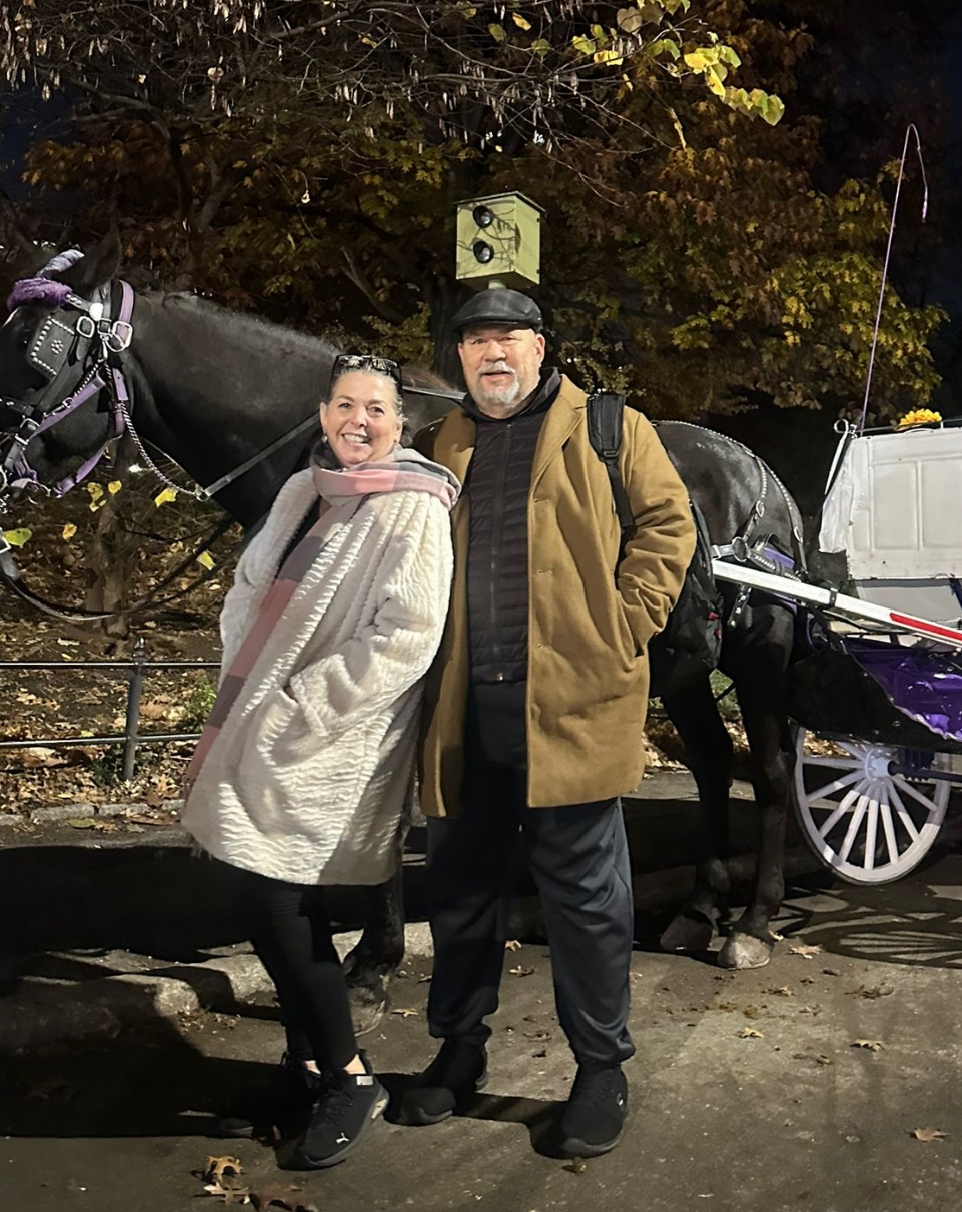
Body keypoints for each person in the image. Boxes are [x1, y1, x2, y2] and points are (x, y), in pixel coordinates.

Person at [392, 289, 696, 1158]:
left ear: (539, 348)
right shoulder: (439, 442)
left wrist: (624, 622)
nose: (492, 352)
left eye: (508, 337)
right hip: (461, 711)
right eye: (475, 339)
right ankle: (458, 1050)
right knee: (459, 894)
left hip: (570, 705)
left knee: (587, 903)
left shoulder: (608, 426)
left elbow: (669, 525)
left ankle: (601, 1069)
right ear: (458, 356)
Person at [181, 353, 458, 1170]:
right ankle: (306, 1066)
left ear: (399, 423)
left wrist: (302, 703)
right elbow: (250, 580)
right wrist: (246, 661)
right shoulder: (305, 487)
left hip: (329, 737)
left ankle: (348, 1074)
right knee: (265, 891)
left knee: (272, 899)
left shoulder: (414, 506)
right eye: (345, 405)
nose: (358, 422)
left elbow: (408, 633)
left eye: (376, 409)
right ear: (324, 410)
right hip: (258, 716)